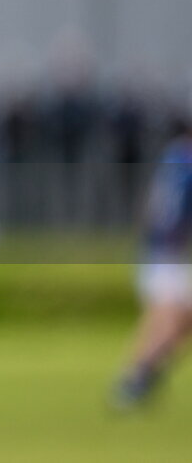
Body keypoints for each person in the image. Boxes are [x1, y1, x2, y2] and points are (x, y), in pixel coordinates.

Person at [113, 117, 192, 410]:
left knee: (175, 321)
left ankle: (141, 378)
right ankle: (134, 383)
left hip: (161, 248)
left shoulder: (177, 154)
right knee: (167, 322)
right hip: (171, 251)